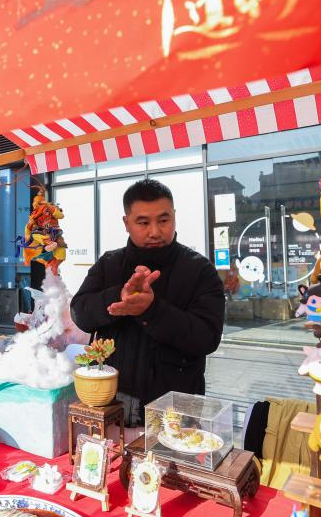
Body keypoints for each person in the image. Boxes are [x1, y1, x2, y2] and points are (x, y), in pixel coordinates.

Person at [71, 179, 225, 426]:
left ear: (174, 216)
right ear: (126, 223)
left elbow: (207, 337)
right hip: (110, 405)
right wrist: (118, 296)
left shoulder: (200, 270)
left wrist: (152, 311)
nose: (154, 231)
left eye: (163, 220)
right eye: (143, 222)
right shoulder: (109, 264)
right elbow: (80, 313)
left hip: (175, 413)